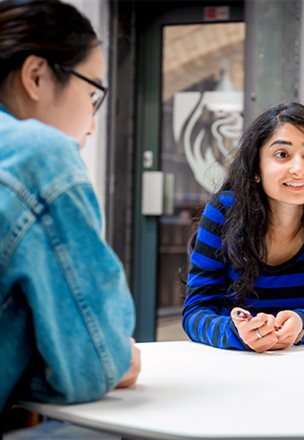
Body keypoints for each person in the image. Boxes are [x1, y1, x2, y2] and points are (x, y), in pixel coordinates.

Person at [0, 0, 140, 425]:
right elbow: (97, 364)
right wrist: (117, 357)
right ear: (36, 75)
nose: (92, 123)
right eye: (92, 91)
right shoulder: (37, 156)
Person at [182, 102, 304, 352]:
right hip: (233, 363)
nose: (298, 169)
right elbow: (195, 312)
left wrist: (302, 324)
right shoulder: (224, 211)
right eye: (282, 155)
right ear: (256, 169)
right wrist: (236, 332)